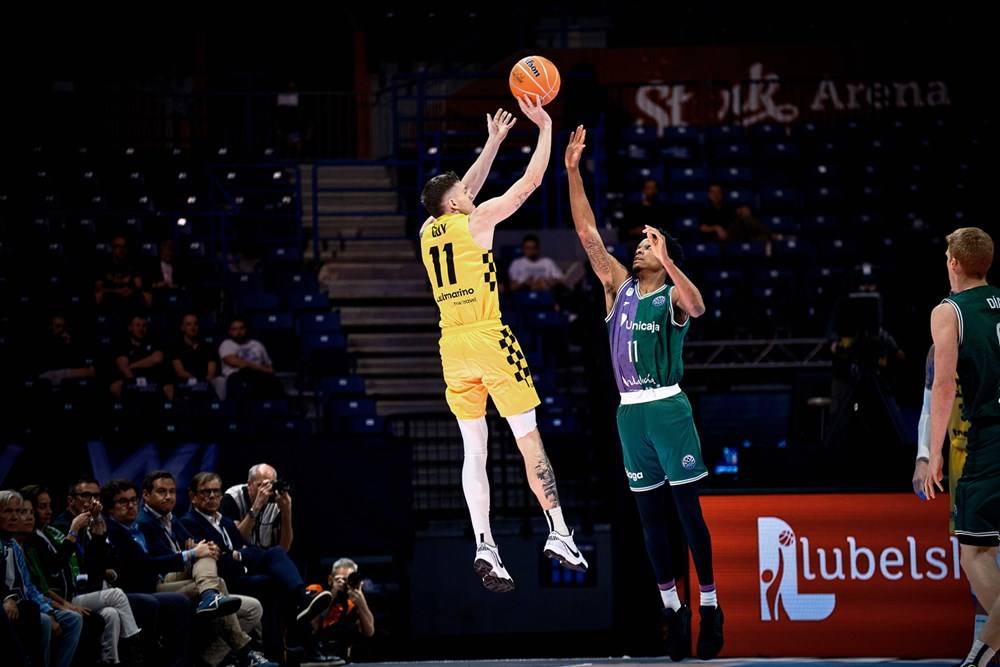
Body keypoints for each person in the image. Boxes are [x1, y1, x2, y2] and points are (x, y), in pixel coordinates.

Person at [417, 97, 588, 593]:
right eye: (465, 194)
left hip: (452, 345)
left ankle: (484, 543)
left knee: (474, 450)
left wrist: (492, 142)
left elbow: (459, 190)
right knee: (527, 437)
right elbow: (530, 183)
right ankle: (559, 531)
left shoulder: (429, 229)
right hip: (490, 337)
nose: (473, 192)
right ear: (457, 204)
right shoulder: (479, 220)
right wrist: (546, 127)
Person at [565, 125, 723, 660]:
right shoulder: (618, 285)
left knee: (688, 514)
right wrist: (571, 171)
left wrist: (669, 255)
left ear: (664, 255)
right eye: (639, 242)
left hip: (668, 406)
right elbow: (588, 233)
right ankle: (674, 613)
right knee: (651, 522)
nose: (639, 247)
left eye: (648, 244)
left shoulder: (672, 296)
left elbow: (698, 306)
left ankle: (711, 604)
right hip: (629, 414)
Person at [921, 227, 1000, 667]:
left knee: (974, 550)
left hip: (990, 436)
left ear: (954, 262)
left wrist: (933, 453)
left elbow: (944, 384)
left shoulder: (949, 311)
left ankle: (982, 653)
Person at [306, 558, 375, 663]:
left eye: (348, 580)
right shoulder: (316, 590)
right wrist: (333, 593)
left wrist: (361, 603)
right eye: (341, 579)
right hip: (314, 656)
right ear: (330, 579)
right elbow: (311, 627)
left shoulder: (354, 601)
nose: (345, 584)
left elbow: (369, 632)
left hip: (341, 659)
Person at [221, 464, 294, 551]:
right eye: (261, 485)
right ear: (249, 485)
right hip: (240, 556)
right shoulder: (233, 497)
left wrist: (287, 512)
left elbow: (284, 548)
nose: (266, 491)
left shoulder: (277, 501)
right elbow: (234, 541)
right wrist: (256, 506)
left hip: (265, 557)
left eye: (270, 485)